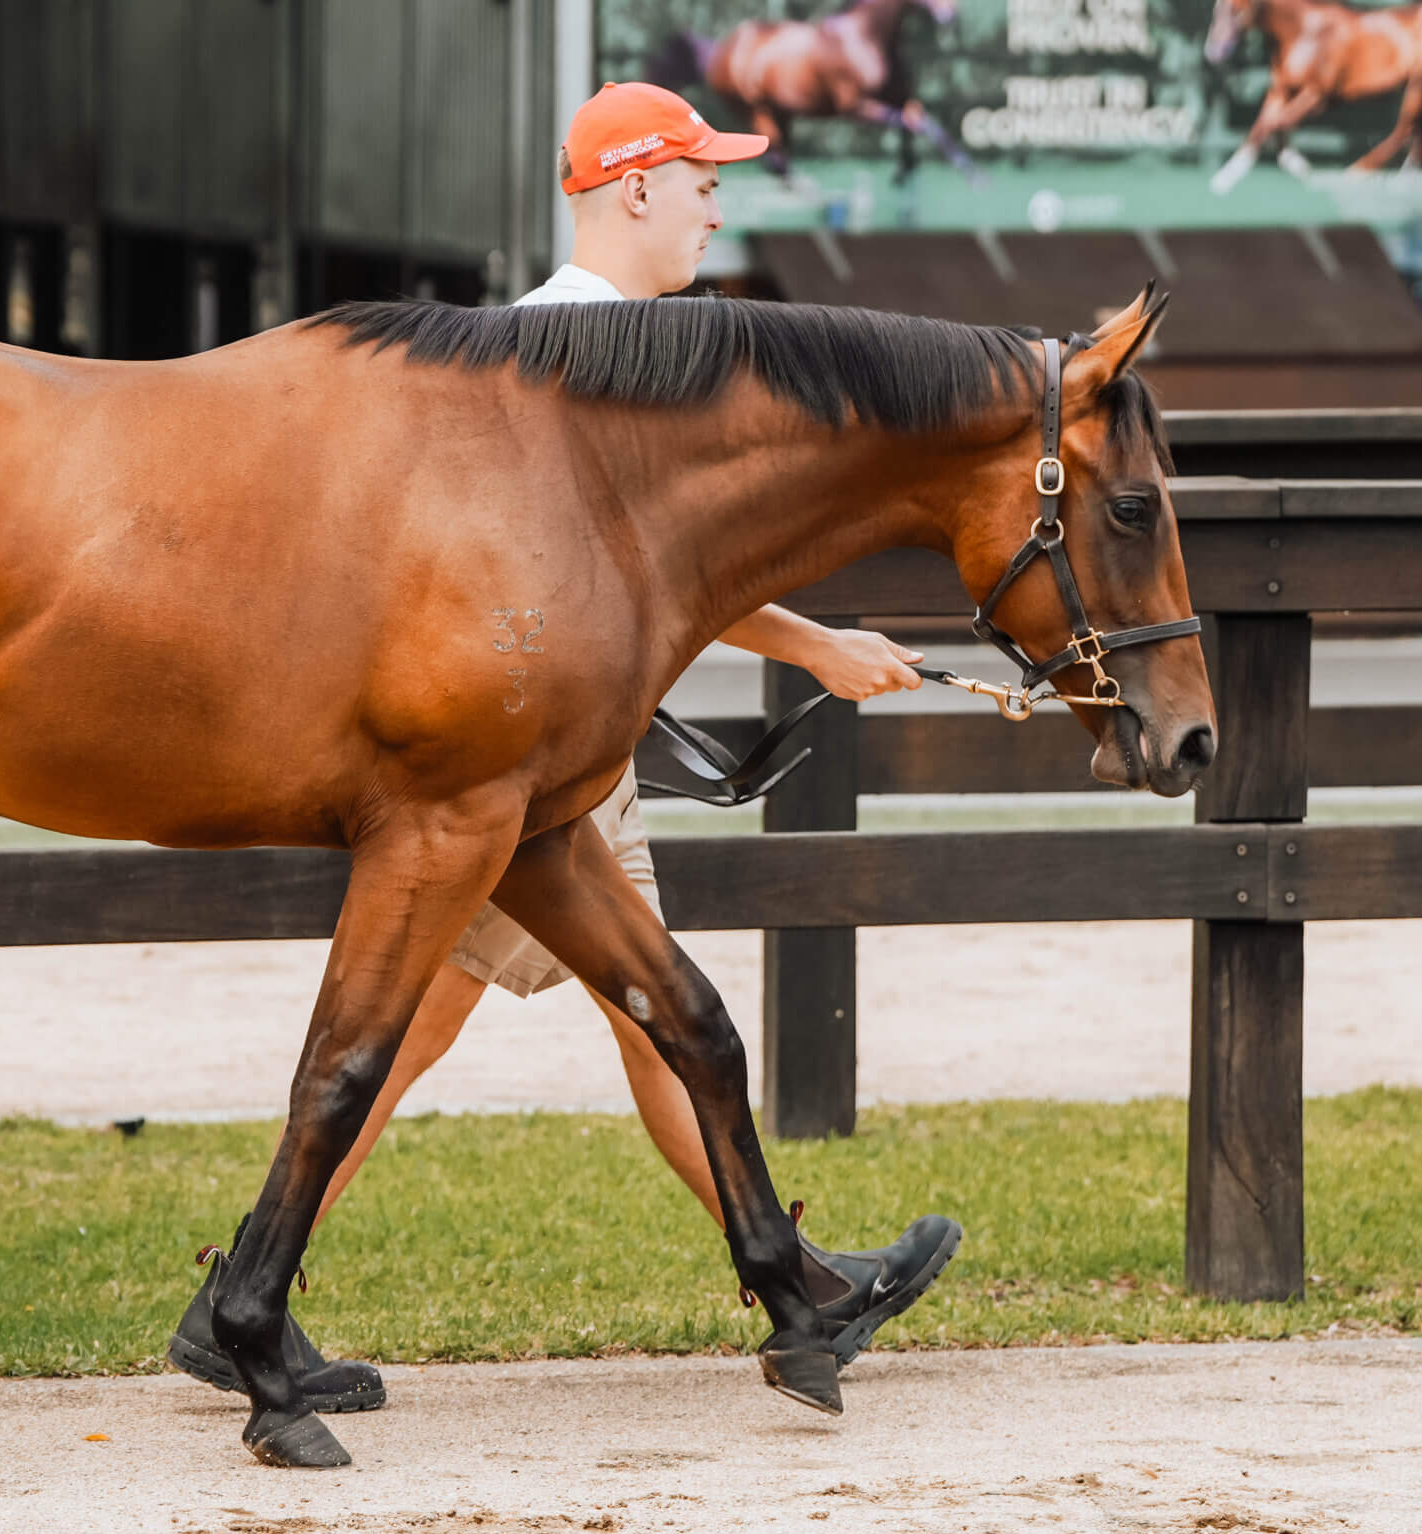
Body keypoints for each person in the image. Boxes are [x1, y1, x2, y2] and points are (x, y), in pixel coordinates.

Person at [168, 82, 963, 1414]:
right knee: (555, 1015)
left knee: (602, 1017)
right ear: (636, 187)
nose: (718, 202)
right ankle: (243, 1288)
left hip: (556, 756)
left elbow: (652, 574)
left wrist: (810, 638)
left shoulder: (598, 347)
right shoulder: (566, 361)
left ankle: (795, 1277)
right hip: (525, 763)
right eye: (702, 177)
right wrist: (816, 645)